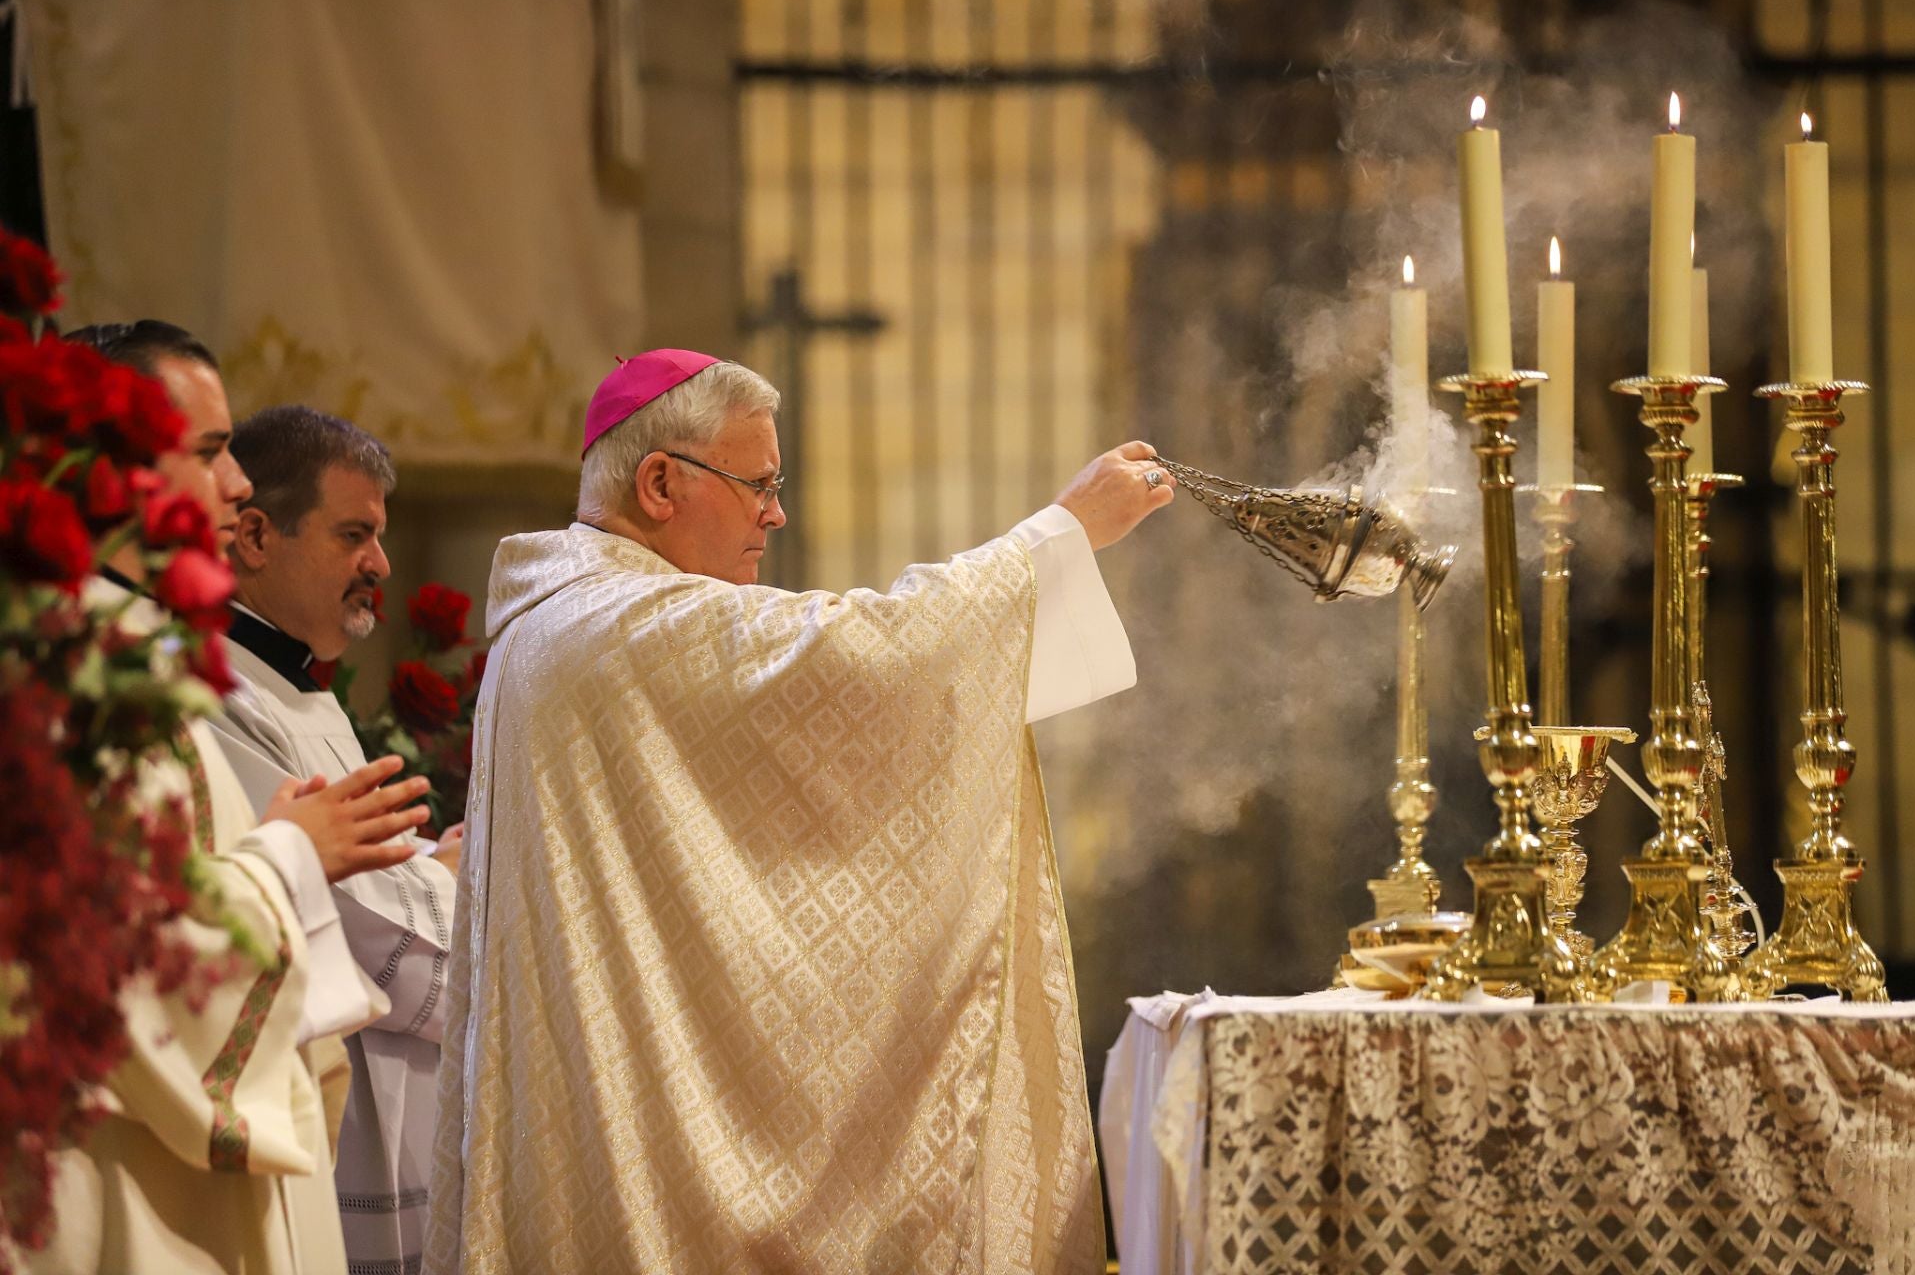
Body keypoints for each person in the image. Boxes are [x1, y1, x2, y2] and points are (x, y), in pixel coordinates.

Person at [425, 349, 1173, 1273]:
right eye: (759, 484)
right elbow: (870, 649)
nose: (776, 513)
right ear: (660, 481)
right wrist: (1061, 535)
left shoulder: (561, 621)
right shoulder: (612, 625)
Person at [31, 322, 430, 1275]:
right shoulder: (74, 672)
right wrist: (297, 852)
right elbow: (120, 952)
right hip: (128, 1168)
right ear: (111, 469)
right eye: (209, 453)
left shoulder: (130, 652)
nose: (239, 484)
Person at [205, 404, 460, 1275]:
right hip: (320, 1094)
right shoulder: (220, 692)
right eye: (355, 534)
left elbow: (360, 858)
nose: (379, 564)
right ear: (254, 536)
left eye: (381, 537)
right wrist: (460, 883)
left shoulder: (299, 689)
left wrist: (432, 861)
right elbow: (343, 911)